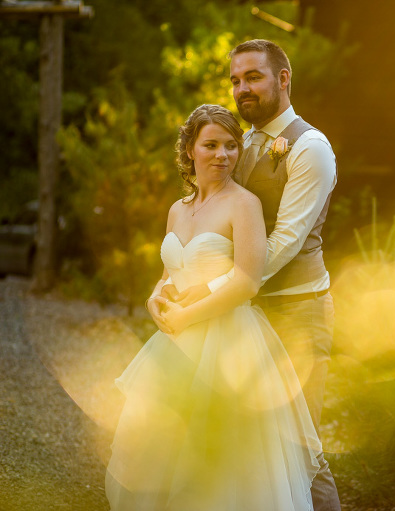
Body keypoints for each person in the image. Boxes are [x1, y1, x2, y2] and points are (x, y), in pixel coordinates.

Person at [149, 39, 341, 511]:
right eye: (236, 80)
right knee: (247, 450)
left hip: (295, 312)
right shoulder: (240, 141)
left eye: (253, 77)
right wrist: (170, 287)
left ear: (283, 79)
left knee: (299, 450)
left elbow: (282, 244)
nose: (242, 89)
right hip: (239, 316)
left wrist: (206, 293)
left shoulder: (309, 148)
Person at [106, 104, 321, 510]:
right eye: (211, 145)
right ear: (189, 149)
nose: (222, 155)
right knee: (164, 446)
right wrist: (158, 295)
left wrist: (185, 316)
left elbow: (246, 281)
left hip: (227, 343)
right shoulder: (178, 209)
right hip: (176, 345)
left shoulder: (244, 205)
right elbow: (172, 268)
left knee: (220, 459)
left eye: (230, 146)